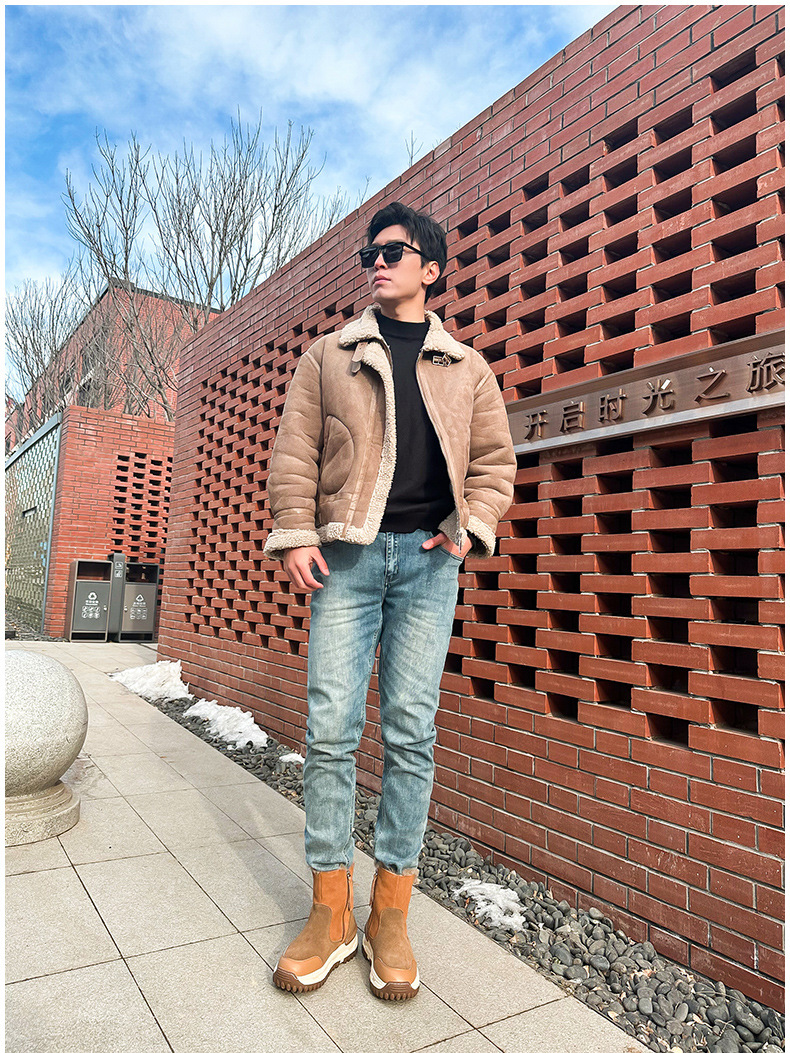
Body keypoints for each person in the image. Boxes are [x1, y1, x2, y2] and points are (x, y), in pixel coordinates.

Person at [264, 200, 516, 1000]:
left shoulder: (467, 367)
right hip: (346, 557)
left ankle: (390, 913)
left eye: (394, 251)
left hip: (429, 565)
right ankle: (330, 910)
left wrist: (472, 527)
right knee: (331, 730)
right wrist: (294, 534)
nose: (378, 261)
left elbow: (495, 463)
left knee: (411, 734)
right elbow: (295, 451)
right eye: (370, 252)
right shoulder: (328, 356)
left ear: (431, 268)